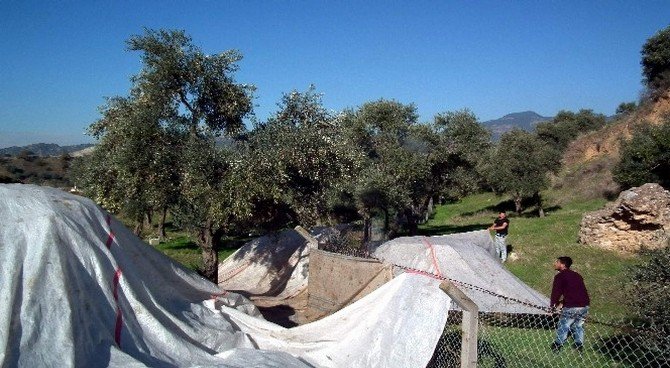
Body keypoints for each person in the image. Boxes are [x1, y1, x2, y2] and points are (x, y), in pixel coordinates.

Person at [550, 256, 590, 353]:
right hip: (584, 304)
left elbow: (556, 292)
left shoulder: (560, 276)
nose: (555, 263)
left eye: (557, 262)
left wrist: (553, 305)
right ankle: (578, 344)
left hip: (572, 305)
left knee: (564, 324)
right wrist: (563, 302)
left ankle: (557, 345)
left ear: (562, 265)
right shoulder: (577, 275)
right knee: (579, 325)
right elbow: (576, 291)